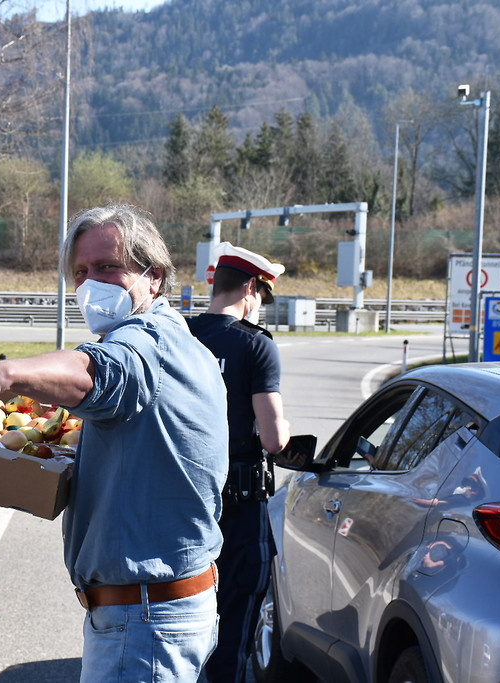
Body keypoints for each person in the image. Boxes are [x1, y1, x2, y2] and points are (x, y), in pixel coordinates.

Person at [0, 203, 228, 683]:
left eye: (108, 267)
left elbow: (97, 372)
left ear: (153, 278)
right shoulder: (183, 342)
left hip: (143, 621)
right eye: (81, 272)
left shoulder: (144, 343)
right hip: (161, 609)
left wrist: (7, 373)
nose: (91, 283)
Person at [187, 243, 290, 683]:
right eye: (261, 299)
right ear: (251, 287)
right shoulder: (256, 347)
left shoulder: (179, 335)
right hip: (238, 510)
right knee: (232, 626)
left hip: (179, 503)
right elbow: (273, 438)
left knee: (179, 614)